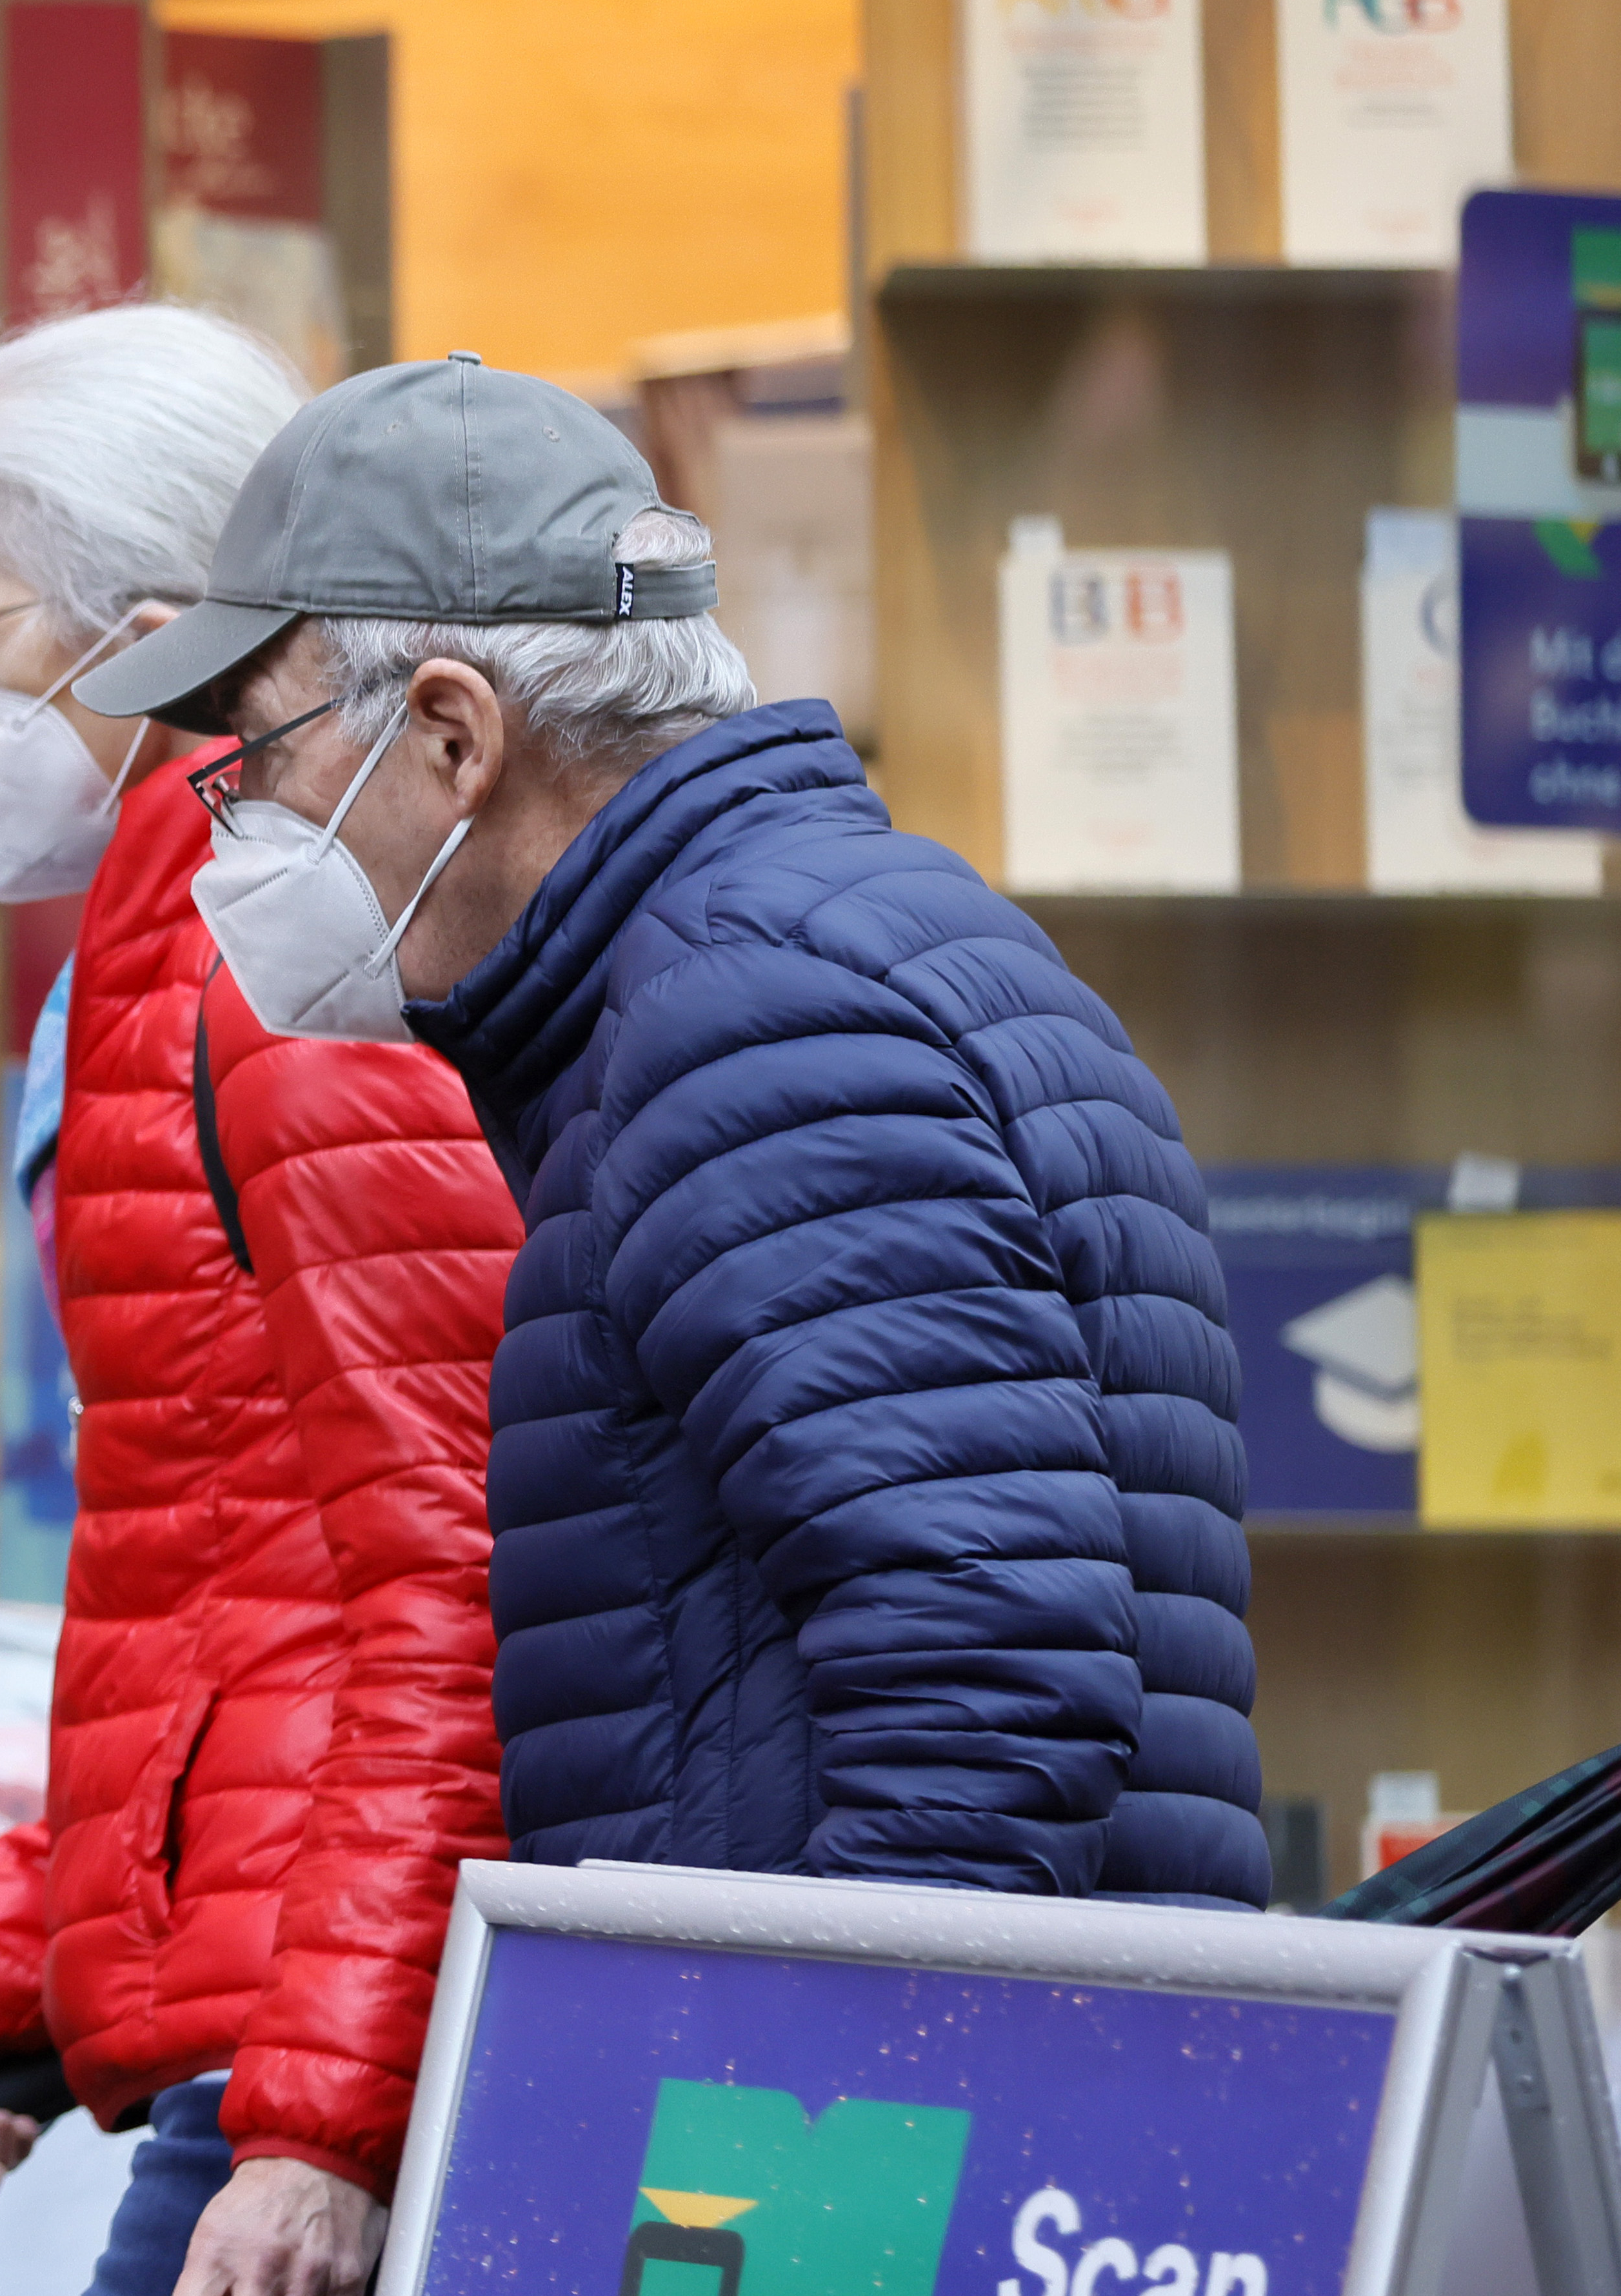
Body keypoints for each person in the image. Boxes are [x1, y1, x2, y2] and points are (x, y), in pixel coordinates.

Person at [79, 348, 1265, 1921]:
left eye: (255, 761)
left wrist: (781, 2140)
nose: (235, 829)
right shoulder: (777, 958)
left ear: (450, 738)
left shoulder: (749, 1018)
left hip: (896, 2124)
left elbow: (979, 1681)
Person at [0, 304, 524, 2296]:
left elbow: (444, 1557)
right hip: (298, 2001)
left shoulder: (277, 948)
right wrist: (20, 1938)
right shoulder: (168, 929)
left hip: (323, 2056)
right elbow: (232, 1558)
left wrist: (318, 2128)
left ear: (143, 628)